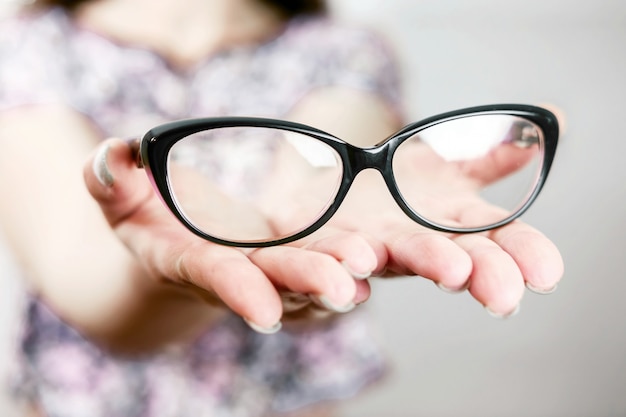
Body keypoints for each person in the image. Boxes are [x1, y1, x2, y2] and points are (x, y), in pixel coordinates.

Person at [0, 0, 564, 416]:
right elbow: (88, 279)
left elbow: (335, 134)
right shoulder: (28, 51)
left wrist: (323, 198)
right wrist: (205, 262)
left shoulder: (341, 52)